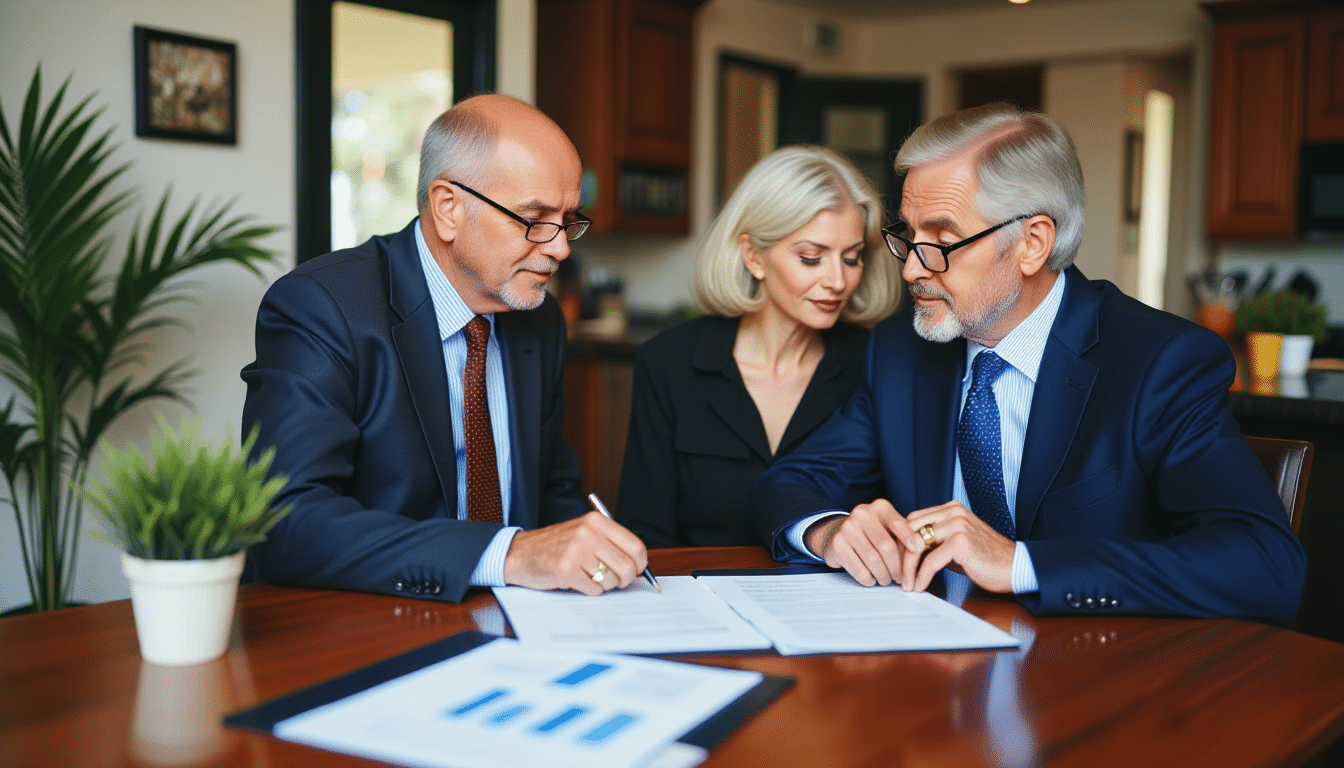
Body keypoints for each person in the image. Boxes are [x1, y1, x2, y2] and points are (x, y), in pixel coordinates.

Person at [749, 103, 1307, 619]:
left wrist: (1018, 563)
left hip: (1104, 682)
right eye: (907, 236)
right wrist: (828, 531)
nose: (911, 270)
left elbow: (1266, 564)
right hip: (932, 675)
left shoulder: (1160, 362)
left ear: (1033, 243)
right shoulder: (901, 351)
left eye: (941, 241)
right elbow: (789, 481)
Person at [241, 94, 648, 602]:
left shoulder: (538, 321)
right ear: (448, 208)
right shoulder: (322, 307)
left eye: (567, 219)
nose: (562, 247)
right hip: (363, 624)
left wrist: (595, 553)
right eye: (535, 218)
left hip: (518, 623)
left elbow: (551, 491)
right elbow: (286, 521)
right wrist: (510, 554)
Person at [617, 146, 902, 548]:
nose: (838, 280)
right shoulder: (669, 362)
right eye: (811, 257)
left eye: (852, 258)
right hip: (698, 600)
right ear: (753, 255)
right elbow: (645, 532)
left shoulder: (880, 365)